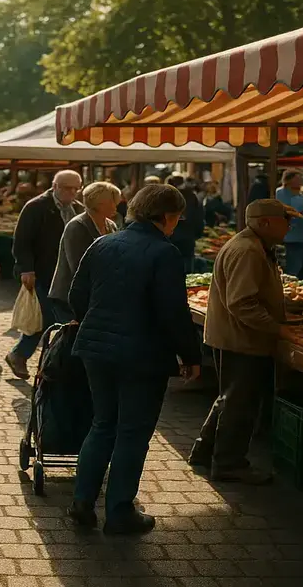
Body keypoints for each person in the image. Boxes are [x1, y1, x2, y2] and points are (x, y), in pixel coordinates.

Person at [65, 184, 202, 535]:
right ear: (168, 217)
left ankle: (82, 501)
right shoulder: (164, 252)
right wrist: (190, 354)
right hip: (142, 356)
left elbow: (76, 295)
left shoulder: (102, 243)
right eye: (177, 218)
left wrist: (96, 322)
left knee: (103, 423)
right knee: (132, 431)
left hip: (95, 350)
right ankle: (120, 511)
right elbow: (174, 312)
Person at [189, 199, 298, 484]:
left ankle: (205, 451)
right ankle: (229, 464)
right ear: (265, 222)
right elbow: (242, 303)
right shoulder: (248, 250)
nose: (290, 226)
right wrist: (278, 328)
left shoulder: (257, 246)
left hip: (237, 336)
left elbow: (254, 294)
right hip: (241, 339)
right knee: (241, 402)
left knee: (231, 397)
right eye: (286, 219)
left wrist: (288, 306)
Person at [6, 169, 84, 378]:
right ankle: (24, 357)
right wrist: (26, 268)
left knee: (61, 320)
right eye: (67, 188)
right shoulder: (36, 207)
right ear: (55, 186)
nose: (72, 192)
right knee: (47, 317)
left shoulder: (78, 208)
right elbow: (22, 242)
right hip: (42, 272)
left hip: (67, 274)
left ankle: (43, 362)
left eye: (76, 188)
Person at [48, 182, 121, 323]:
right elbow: (77, 266)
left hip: (95, 295)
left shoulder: (110, 225)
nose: (115, 206)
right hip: (70, 296)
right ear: (100, 204)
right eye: (112, 202)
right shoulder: (77, 226)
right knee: (71, 340)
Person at [166, 174, 204, 274]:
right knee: (187, 274)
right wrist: (196, 235)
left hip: (167, 239)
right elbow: (199, 219)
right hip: (187, 239)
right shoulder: (191, 196)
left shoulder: (164, 197)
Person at [276, 170, 303, 276]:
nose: (300, 181)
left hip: (300, 235)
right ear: (289, 180)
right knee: (290, 266)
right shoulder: (280, 193)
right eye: (297, 178)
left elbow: (301, 212)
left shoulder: (298, 195)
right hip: (288, 235)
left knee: (297, 264)